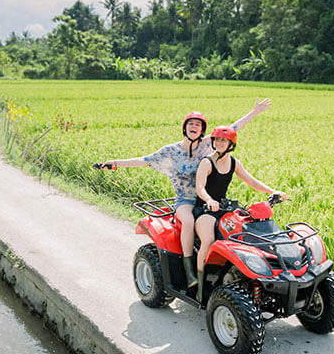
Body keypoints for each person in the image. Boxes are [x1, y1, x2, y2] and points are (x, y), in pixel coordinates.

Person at [96, 98, 272, 288]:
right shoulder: (171, 151)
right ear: (184, 128)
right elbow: (145, 159)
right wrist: (115, 163)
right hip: (187, 200)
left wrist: (255, 111)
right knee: (188, 221)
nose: (193, 126)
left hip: (211, 199)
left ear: (202, 130)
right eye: (190, 124)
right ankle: (190, 273)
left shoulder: (208, 144)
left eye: (198, 124)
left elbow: (232, 129)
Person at [193, 126, 287, 285]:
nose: (219, 143)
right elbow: (200, 187)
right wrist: (209, 200)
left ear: (231, 143)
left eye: (223, 140)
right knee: (208, 240)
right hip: (205, 210)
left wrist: (272, 191)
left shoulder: (234, 163)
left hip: (224, 208)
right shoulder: (206, 162)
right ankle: (199, 280)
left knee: (243, 235)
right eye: (216, 139)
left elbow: (251, 181)